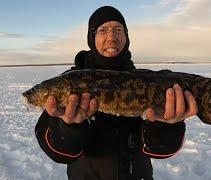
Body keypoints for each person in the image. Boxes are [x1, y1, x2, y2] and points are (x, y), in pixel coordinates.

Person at [35, 6, 198, 180]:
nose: (111, 37)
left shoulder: (149, 82)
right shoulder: (69, 83)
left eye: (118, 30)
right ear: (92, 38)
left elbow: (161, 150)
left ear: (126, 37)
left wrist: (165, 125)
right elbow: (57, 152)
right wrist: (68, 128)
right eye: (103, 30)